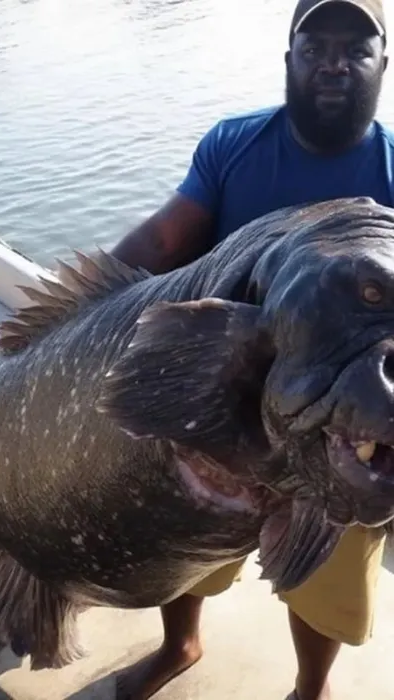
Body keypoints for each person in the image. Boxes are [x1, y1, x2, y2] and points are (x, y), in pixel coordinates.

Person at [109, 1, 394, 699]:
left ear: (383, 63)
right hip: (226, 400)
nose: (334, 61)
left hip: (344, 425)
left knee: (327, 578)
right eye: (315, 44)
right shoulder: (234, 143)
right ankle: (182, 642)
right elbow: (160, 246)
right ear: (288, 57)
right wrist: (75, 326)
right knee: (184, 544)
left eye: (356, 48)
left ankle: (311, 687)